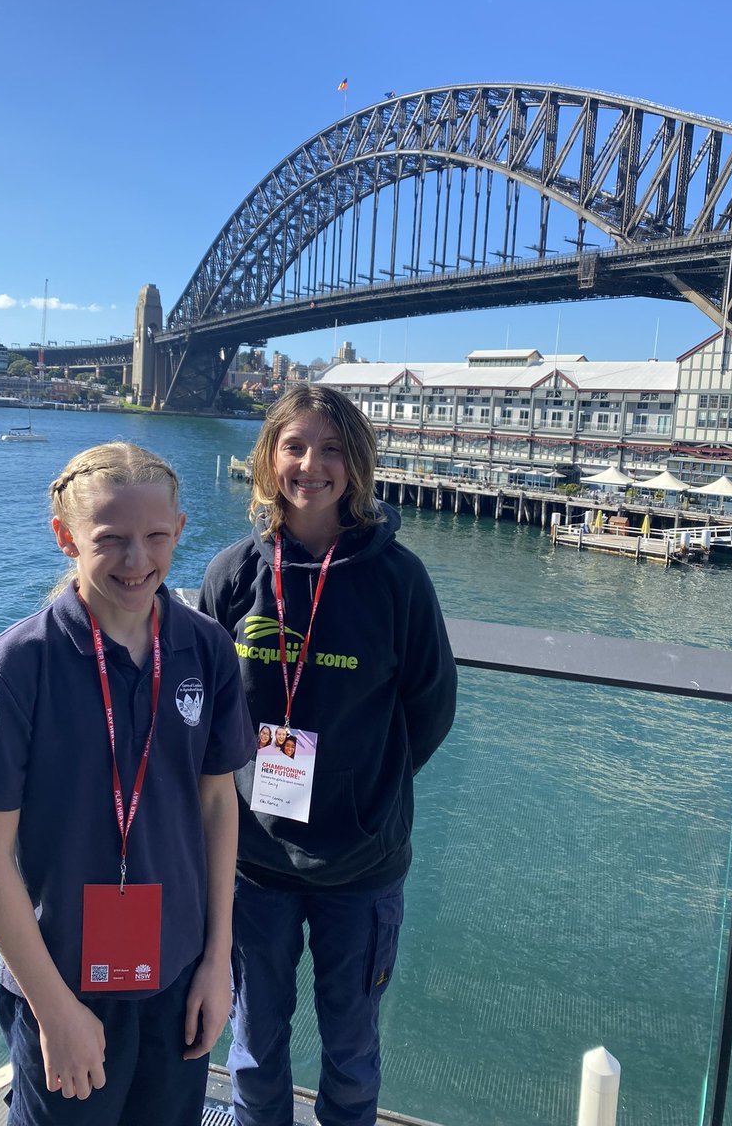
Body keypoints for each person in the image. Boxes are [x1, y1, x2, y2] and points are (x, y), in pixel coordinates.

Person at [0, 442, 255, 1126]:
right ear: (65, 537)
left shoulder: (206, 648)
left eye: (156, 537)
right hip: (63, 979)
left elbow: (219, 804)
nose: (137, 561)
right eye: (111, 540)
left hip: (178, 973)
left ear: (181, 532)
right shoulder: (17, 665)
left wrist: (218, 961)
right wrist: (54, 1009)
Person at [198, 385, 457, 1126]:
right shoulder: (231, 575)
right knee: (252, 1044)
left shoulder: (397, 577)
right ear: (268, 458)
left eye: (333, 448)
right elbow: (214, 713)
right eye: (296, 446)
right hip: (253, 864)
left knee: (350, 1051)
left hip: (362, 865)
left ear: (358, 463)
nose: (313, 465)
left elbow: (429, 706)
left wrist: (366, 788)